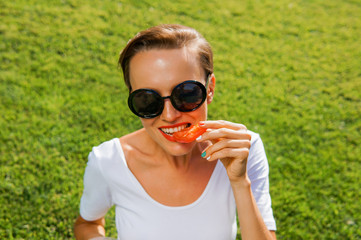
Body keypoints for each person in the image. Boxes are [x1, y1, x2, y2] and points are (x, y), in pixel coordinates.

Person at [74, 24, 277, 240]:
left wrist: (240, 182)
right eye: (148, 100)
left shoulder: (243, 149)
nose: (169, 116)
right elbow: (88, 224)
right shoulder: (108, 161)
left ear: (209, 89)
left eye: (187, 94)